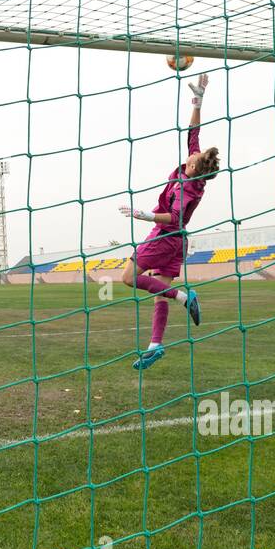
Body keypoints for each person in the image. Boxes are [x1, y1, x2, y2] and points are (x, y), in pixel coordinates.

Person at [120, 73, 220, 370]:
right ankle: (155, 345)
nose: (191, 152)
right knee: (157, 293)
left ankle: (185, 297)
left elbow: (175, 217)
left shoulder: (188, 186)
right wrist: (198, 101)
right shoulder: (194, 168)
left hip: (165, 236)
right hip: (176, 241)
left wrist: (145, 215)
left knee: (128, 278)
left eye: (193, 156)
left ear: (192, 166)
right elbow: (193, 131)